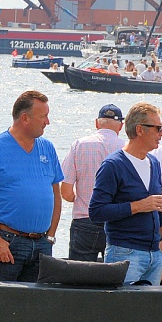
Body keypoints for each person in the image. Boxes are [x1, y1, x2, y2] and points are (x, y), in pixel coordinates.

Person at [0, 90, 64, 283]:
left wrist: (51, 236)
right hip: (8, 244)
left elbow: (56, 194)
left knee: (36, 309)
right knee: (2, 306)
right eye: (43, 116)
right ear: (25, 118)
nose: (48, 122)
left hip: (42, 245)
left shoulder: (48, 148)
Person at [88, 102, 162, 285]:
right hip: (125, 254)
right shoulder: (113, 165)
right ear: (140, 130)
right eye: (158, 128)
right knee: (120, 313)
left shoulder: (154, 163)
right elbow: (96, 211)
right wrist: (139, 206)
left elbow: (159, 206)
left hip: (155, 255)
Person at [61, 103, 127, 261]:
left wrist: (78, 198)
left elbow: (66, 192)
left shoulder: (79, 145)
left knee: (78, 278)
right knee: (116, 277)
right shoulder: (126, 148)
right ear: (121, 126)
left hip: (84, 221)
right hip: (117, 222)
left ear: (97, 123)